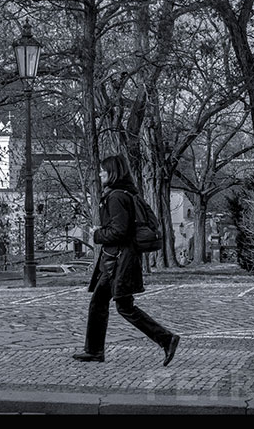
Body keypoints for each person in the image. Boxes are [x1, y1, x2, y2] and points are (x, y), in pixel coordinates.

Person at [72, 154, 180, 365]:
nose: (100, 173)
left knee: (121, 306)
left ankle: (166, 339)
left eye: (103, 170)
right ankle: (94, 351)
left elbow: (120, 231)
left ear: (112, 172)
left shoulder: (116, 197)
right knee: (103, 303)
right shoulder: (127, 194)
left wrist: (97, 234)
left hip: (118, 261)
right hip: (119, 260)